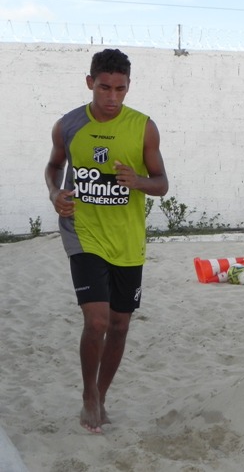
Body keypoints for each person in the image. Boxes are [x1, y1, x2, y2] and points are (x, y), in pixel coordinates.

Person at [45, 48, 169, 434]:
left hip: (128, 240)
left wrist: (138, 182)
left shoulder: (144, 127)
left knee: (118, 325)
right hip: (84, 233)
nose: (112, 97)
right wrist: (54, 193)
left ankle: (102, 392)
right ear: (90, 83)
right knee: (96, 320)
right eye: (104, 88)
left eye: (120, 89)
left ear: (128, 87)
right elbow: (54, 166)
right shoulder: (68, 125)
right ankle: (88, 396)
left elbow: (162, 184)